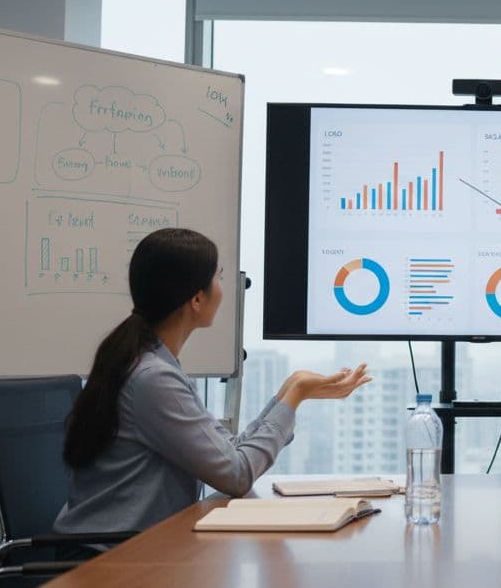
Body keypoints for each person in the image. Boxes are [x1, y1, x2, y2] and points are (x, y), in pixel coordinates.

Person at [56, 228, 371, 536]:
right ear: (196, 299)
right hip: (106, 559)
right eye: (219, 278)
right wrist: (296, 395)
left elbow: (228, 453)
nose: (224, 288)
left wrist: (288, 392)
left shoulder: (154, 364)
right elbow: (236, 475)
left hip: (135, 548)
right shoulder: (154, 379)